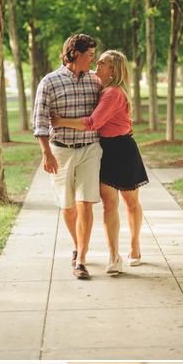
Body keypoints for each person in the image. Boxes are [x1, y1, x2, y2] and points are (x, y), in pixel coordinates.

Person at [50, 50, 147, 275]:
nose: (96, 63)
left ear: (113, 70)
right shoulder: (99, 87)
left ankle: (135, 246)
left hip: (122, 149)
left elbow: (93, 122)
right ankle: (114, 255)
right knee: (109, 205)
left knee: (131, 202)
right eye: (97, 59)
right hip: (104, 150)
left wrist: (61, 121)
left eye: (102, 62)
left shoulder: (113, 93)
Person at [32, 34, 102, 280]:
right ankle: (78, 244)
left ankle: (80, 259)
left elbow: (109, 107)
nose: (94, 60)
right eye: (91, 55)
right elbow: (40, 119)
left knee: (86, 203)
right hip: (60, 150)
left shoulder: (96, 81)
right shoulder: (49, 82)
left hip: (90, 149)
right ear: (76, 54)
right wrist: (46, 153)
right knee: (68, 205)